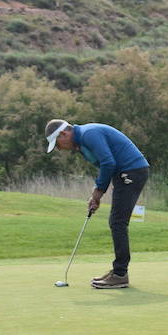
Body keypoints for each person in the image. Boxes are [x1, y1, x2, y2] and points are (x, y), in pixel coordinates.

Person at [45, 119, 149, 289]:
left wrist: (98, 191)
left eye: (57, 143)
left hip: (131, 171)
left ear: (64, 134)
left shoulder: (88, 134)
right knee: (116, 222)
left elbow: (108, 163)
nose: (59, 148)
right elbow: (107, 164)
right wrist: (97, 194)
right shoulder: (82, 141)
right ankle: (118, 271)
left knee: (117, 222)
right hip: (125, 173)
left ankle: (120, 274)